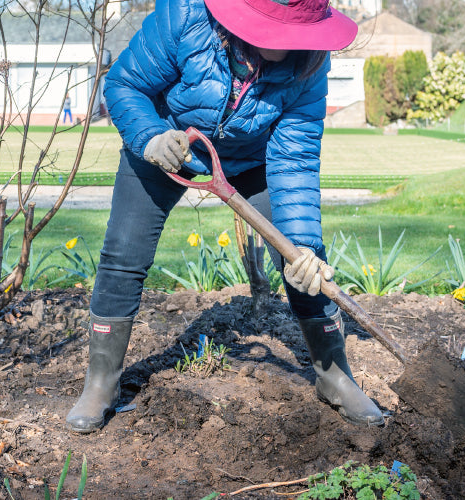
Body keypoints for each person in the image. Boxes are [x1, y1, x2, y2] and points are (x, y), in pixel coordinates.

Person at [66, 0, 385, 434]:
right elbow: (124, 84)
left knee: (304, 261)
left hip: (251, 158)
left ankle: (335, 376)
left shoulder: (310, 64)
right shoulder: (186, 17)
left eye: (296, 32)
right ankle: (101, 382)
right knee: (124, 253)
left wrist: (303, 245)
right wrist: (151, 138)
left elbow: (294, 159)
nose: (287, 44)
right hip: (166, 142)